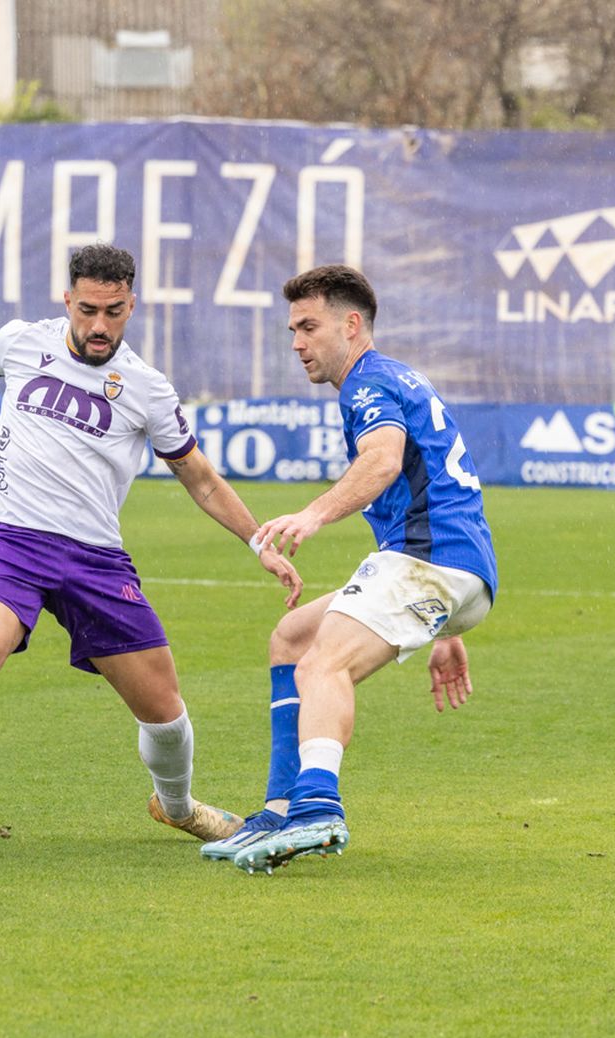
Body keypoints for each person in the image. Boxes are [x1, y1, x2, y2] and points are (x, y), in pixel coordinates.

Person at [0, 244, 302, 845]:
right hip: (12, 540)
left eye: (113, 312)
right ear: (67, 301)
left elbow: (201, 478)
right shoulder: (22, 343)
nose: (99, 325)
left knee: (165, 713)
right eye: (87, 310)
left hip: (95, 560)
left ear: (131, 305)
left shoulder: (146, 388)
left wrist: (257, 541)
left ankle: (177, 806)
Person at [198, 264, 499, 874]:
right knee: (291, 638)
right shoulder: (396, 376)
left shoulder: (367, 384)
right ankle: (282, 808)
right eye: (292, 329)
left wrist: (313, 513)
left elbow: (383, 461)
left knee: (322, 664)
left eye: (309, 327)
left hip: (429, 561)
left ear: (352, 324)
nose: (297, 343)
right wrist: (446, 626)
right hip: (452, 567)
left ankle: (317, 809)